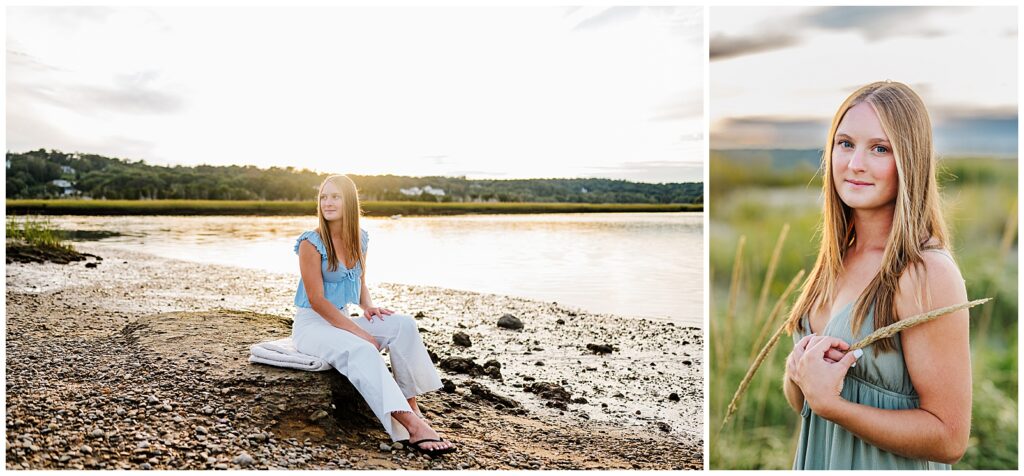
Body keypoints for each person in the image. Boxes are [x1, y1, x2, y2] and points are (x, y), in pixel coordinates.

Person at [782, 81, 971, 470]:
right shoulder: (834, 259)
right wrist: (798, 372)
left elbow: (950, 438)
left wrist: (834, 406)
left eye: (880, 149)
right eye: (845, 143)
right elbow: (805, 404)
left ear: (909, 160)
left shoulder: (924, 272)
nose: (855, 164)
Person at [290, 174, 455, 456]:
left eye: (335, 197)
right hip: (311, 326)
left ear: (349, 202)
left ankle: (412, 405)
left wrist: (368, 307)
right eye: (324, 197)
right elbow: (317, 301)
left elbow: (361, 280)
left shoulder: (360, 238)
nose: (327, 203)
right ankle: (412, 426)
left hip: (339, 318)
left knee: (401, 324)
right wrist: (359, 332)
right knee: (361, 349)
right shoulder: (311, 242)